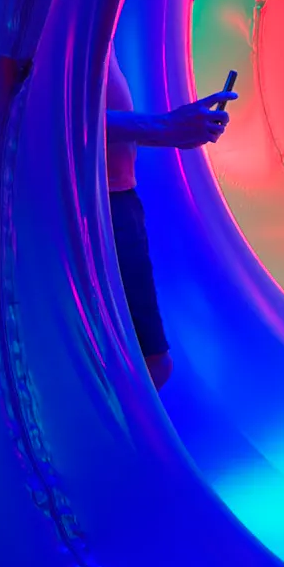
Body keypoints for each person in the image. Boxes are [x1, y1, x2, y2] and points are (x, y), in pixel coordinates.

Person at [102, 59, 234, 385]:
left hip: (117, 194)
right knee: (150, 364)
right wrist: (164, 126)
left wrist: (172, 131)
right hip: (100, 201)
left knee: (149, 363)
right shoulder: (67, 20)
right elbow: (56, 114)